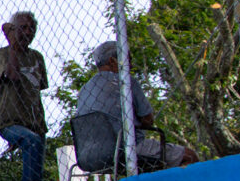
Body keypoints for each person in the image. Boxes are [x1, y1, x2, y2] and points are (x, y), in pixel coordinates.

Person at [72, 41, 196, 173]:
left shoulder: (84, 90)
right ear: (113, 61)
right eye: (128, 59)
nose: (131, 65)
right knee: (189, 156)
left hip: (90, 156)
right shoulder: (125, 81)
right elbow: (147, 120)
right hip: (125, 148)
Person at [0, 12, 50, 181]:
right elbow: (13, 75)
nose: (28, 32)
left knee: (37, 153)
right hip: (10, 120)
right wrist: (13, 45)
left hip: (34, 120)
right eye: (22, 28)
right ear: (13, 30)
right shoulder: (2, 54)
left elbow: (39, 86)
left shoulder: (37, 57)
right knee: (31, 141)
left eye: (31, 28)